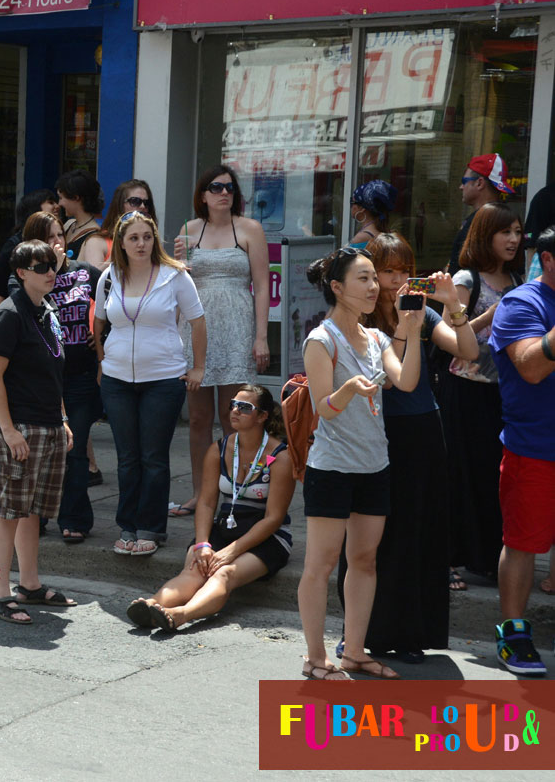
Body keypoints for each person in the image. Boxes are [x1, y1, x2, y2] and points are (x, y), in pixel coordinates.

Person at [341, 233, 476, 662]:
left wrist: (452, 302)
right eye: (388, 271)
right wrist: (403, 326)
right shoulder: (359, 319)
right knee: (368, 537)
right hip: (372, 433)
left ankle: (410, 634)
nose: (397, 279)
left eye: (405, 270)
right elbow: (393, 376)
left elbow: (468, 350)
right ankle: (360, 633)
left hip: (420, 431)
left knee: (418, 531)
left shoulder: (421, 312)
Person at [296, 247, 421, 681]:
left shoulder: (378, 338)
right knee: (321, 564)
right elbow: (323, 408)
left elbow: (405, 380)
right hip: (331, 468)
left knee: (364, 560)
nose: (373, 287)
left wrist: (412, 330)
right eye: (364, 279)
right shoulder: (321, 339)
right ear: (336, 287)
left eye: (374, 279)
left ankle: (353, 652)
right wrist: (349, 389)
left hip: (374, 465)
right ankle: (315, 658)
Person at [127, 386, 293, 631]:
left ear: (262, 416)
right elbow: (205, 503)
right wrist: (203, 544)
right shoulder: (219, 449)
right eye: (233, 404)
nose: (235, 411)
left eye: (245, 407)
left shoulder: (280, 456)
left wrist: (230, 552)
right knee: (193, 570)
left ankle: (181, 615)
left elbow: (274, 517)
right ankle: (151, 606)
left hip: (266, 537)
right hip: (224, 527)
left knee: (223, 574)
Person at [95, 212, 205, 557]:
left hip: (163, 378)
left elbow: (198, 322)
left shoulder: (175, 276)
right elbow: (98, 323)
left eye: (146, 237)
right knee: (127, 457)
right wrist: (102, 361)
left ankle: (152, 528)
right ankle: (127, 526)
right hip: (117, 379)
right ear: (122, 244)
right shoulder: (109, 277)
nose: (141, 244)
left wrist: (198, 367)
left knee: (153, 457)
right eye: (133, 238)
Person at [0, 240, 78, 624]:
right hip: (18, 425)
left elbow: (52, 373)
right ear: (21, 273)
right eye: (41, 267)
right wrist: (8, 431)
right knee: (9, 510)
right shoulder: (9, 315)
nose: (50, 272)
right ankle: (0, 594)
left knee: (33, 511)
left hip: (47, 424)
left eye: (52, 265)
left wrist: (63, 419)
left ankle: (30, 585)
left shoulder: (46, 310)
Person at [170, 166, 270, 517]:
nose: (223, 193)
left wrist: (261, 337)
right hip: (196, 326)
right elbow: (178, 280)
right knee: (198, 418)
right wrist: (179, 259)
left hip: (236, 325)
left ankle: (234, 490)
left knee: (234, 416)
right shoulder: (188, 229)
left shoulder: (249, 228)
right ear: (203, 194)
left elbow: (261, 286)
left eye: (229, 187)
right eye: (215, 187)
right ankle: (201, 492)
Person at [443, 203, 527, 583]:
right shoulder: (466, 278)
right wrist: (492, 315)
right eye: (504, 232)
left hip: (505, 390)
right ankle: (452, 558)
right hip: (464, 391)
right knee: (464, 472)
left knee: (496, 474)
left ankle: (488, 558)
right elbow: (448, 336)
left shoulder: (518, 279)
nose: (513, 239)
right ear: (485, 235)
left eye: (517, 231)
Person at [6, 211, 102, 541]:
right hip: (40, 380)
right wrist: (53, 272)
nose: (57, 242)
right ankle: (38, 517)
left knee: (73, 449)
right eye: (49, 237)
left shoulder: (85, 273)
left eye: (60, 235)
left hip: (79, 374)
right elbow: (27, 313)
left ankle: (74, 518)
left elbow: (116, 300)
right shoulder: (23, 279)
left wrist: (101, 333)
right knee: (41, 450)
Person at [489, 226, 555, 675]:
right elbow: (531, 367)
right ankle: (513, 635)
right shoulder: (521, 304)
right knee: (523, 543)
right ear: (548, 260)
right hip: (535, 449)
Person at [0, 189, 59, 313]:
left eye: (60, 235)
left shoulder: (57, 244)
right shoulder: (13, 246)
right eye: (50, 202)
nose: (57, 206)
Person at [449, 153, 513, 274]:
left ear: (479, 183)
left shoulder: (480, 222)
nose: (461, 187)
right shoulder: (508, 219)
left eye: (464, 181)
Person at [57, 170, 108, 268]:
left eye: (61, 198)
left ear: (76, 198)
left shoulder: (94, 237)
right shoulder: (68, 225)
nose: (59, 204)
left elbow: (91, 275)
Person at [101, 180, 158, 245]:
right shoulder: (102, 241)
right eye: (135, 201)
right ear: (120, 205)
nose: (142, 206)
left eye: (146, 203)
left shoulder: (153, 241)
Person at [346, 180, 398, 248]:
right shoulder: (387, 233)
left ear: (362, 208)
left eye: (352, 201)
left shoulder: (362, 237)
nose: (351, 207)